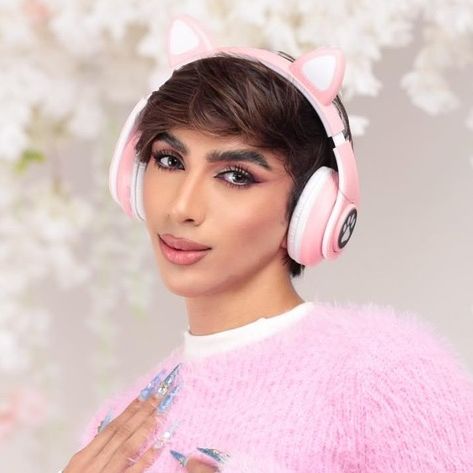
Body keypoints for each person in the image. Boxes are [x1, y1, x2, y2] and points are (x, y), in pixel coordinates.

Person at [59, 14, 473, 473]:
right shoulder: (115, 429)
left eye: (236, 176)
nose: (182, 207)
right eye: (170, 160)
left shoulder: (385, 372)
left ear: (311, 209)